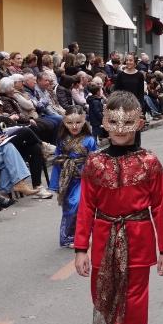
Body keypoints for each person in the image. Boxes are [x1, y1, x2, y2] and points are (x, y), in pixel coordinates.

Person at [73, 91, 163, 324]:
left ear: (139, 123)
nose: (120, 129)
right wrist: (82, 248)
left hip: (138, 238)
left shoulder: (149, 163)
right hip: (105, 237)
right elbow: (86, 208)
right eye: (114, 122)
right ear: (105, 123)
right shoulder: (94, 163)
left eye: (127, 122)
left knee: (132, 305)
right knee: (103, 297)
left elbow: (161, 206)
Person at [49, 106, 98, 248]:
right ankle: (68, 237)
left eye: (78, 122)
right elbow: (58, 161)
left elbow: (95, 160)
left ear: (84, 122)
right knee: (70, 207)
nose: (74, 126)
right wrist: (56, 184)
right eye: (70, 123)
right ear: (64, 122)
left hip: (85, 177)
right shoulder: (62, 140)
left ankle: (92, 234)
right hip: (67, 178)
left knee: (82, 205)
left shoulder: (89, 140)